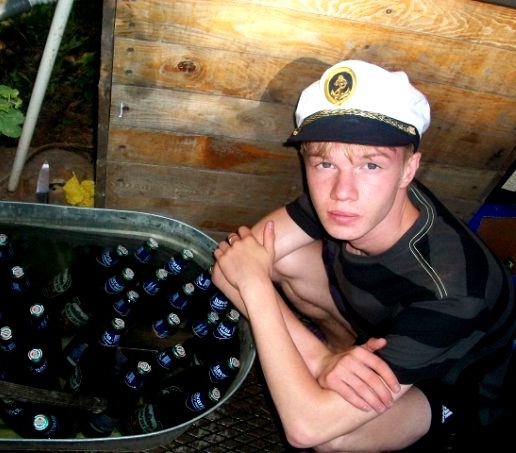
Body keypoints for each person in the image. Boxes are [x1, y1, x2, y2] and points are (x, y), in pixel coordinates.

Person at [211, 60, 516, 451]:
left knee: (336, 439)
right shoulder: (350, 201)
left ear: (409, 169)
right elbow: (233, 262)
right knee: (281, 259)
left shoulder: (455, 293)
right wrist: (321, 359)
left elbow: (306, 429)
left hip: (449, 385)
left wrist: (256, 289)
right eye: (325, 163)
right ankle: (339, 356)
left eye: (370, 165)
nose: (342, 191)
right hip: (382, 329)